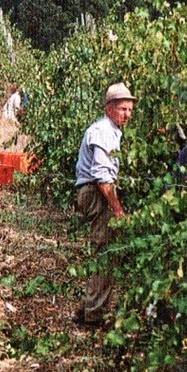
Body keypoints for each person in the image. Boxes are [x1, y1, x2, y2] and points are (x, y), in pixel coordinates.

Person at [74, 82, 136, 327]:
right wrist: (117, 208)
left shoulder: (112, 131)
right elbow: (102, 176)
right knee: (106, 253)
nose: (127, 115)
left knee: (106, 251)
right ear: (109, 108)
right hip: (95, 192)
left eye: (130, 110)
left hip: (95, 191)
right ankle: (93, 316)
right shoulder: (102, 131)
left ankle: (88, 308)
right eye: (123, 109)